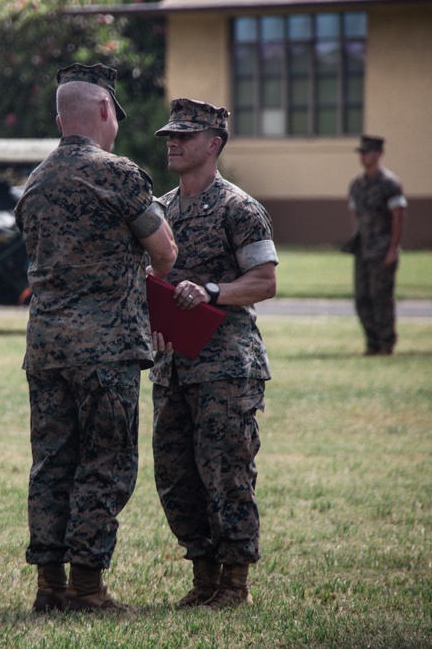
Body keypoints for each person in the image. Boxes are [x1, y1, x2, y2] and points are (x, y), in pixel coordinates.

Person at [15, 63, 177, 613]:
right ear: (106, 112)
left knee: (52, 462)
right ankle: (86, 587)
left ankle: (49, 587)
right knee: (104, 461)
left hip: (47, 346)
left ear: (61, 117)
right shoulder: (120, 174)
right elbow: (166, 253)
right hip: (105, 346)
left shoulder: (34, 180)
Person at [149, 98, 278, 609]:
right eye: (169, 137)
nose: (173, 143)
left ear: (213, 145)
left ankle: (234, 583)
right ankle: (203, 576)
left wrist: (212, 291)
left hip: (226, 366)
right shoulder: (160, 210)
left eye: (183, 136)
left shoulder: (238, 208)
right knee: (176, 472)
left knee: (225, 469)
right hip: (173, 364)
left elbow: (265, 281)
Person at [347, 135, 406, 356]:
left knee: (382, 298)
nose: (363, 156)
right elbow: (355, 216)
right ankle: (371, 343)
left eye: (367, 151)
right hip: (363, 250)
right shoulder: (357, 184)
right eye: (361, 152)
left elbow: (398, 217)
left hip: (382, 251)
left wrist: (393, 249)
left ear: (379, 153)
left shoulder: (389, 184)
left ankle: (386, 343)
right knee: (362, 298)